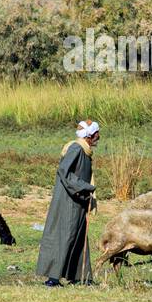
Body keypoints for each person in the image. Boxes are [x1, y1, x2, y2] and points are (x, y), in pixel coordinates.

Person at [36, 119, 99, 286]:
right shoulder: (76, 149)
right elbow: (64, 171)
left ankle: (80, 277)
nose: (99, 137)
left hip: (78, 200)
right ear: (90, 135)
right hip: (69, 201)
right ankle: (54, 278)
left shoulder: (85, 151)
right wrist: (85, 187)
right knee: (65, 236)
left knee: (79, 237)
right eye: (97, 134)